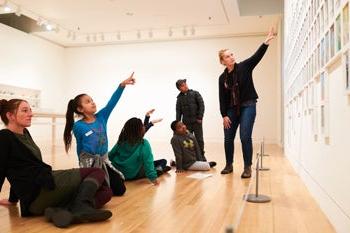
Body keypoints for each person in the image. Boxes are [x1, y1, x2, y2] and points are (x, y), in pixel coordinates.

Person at [0, 99, 113, 228]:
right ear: (10, 116)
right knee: (97, 172)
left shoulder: (24, 133)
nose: (30, 114)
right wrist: (13, 200)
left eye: (30, 110)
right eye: (25, 111)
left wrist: (12, 199)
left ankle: (63, 211)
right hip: (38, 191)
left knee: (106, 192)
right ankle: (80, 207)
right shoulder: (4, 137)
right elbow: (2, 169)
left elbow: (18, 169)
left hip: (44, 185)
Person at [63, 72, 135, 195]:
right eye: (88, 101)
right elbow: (80, 148)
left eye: (92, 100)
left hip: (104, 160)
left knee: (120, 189)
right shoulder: (78, 126)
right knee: (97, 190)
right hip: (89, 164)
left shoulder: (102, 117)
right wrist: (84, 168)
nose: (92, 102)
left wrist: (122, 85)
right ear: (80, 109)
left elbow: (112, 103)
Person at [218, 27, 276, 178]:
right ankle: (229, 165)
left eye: (232, 54)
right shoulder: (222, 78)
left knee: (245, 137)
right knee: (228, 137)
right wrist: (224, 115)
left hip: (248, 106)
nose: (231, 57)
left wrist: (266, 42)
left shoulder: (244, 67)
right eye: (227, 56)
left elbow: (256, 56)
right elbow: (222, 98)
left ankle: (247, 167)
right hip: (231, 109)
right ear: (223, 61)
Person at [108, 117, 171, 185]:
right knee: (163, 161)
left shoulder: (121, 141)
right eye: (142, 126)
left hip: (117, 172)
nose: (144, 127)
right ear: (140, 130)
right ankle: (159, 170)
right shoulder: (144, 143)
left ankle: (160, 169)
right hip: (131, 174)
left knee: (155, 163)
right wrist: (153, 179)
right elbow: (148, 163)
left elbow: (110, 156)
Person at [175, 79, 205, 156]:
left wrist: (200, 117)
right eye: (182, 85)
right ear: (179, 88)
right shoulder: (179, 99)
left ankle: (201, 156)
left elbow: (201, 105)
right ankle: (190, 157)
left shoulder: (195, 93)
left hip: (197, 122)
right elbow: (178, 112)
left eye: (185, 84)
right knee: (188, 141)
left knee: (199, 140)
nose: (185, 86)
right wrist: (177, 125)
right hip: (186, 124)